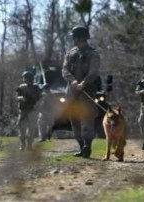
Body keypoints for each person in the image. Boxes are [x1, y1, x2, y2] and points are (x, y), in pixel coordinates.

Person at [62, 26, 100, 158]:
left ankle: (87, 146)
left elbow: (94, 72)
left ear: (80, 38)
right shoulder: (70, 53)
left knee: (87, 117)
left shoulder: (93, 54)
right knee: (74, 118)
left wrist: (84, 83)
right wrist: (72, 81)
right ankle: (80, 146)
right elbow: (65, 70)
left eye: (74, 37)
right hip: (72, 91)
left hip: (87, 90)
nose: (73, 39)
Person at [16, 71, 42, 150]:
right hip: (23, 110)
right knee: (21, 127)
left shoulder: (36, 88)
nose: (26, 80)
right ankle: (22, 144)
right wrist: (21, 98)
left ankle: (29, 145)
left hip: (33, 110)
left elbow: (40, 98)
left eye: (27, 78)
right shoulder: (21, 87)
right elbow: (17, 97)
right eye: (25, 78)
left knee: (31, 128)